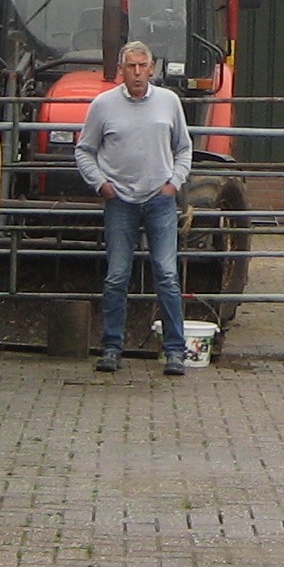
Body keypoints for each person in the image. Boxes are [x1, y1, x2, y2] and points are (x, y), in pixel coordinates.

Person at [75, 41, 192, 376]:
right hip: (120, 202)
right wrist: (101, 183)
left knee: (167, 275)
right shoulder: (103, 105)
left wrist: (174, 182)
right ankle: (112, 347)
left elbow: (184, 148)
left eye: (143, 66)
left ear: (152, 69)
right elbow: (84, 150)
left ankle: (175, 350)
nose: (138, 73)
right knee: (116, 276)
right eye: (131, 66)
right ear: (121, 71)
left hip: (160, 200)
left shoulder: (169, 102)